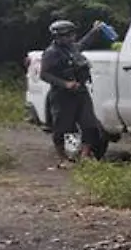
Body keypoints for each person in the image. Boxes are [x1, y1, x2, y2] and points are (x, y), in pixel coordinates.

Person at [41, 19, 106, 163]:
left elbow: (84, 43)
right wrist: (65, 84)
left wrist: (94, 31)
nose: (71, 38)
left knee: (89, 124)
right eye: (67, 35)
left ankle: (85, 155)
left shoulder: (72, 48)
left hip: (81, 92)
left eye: (72, 34)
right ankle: (62, 158)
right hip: (62, 95)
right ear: (58, 37)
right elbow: (44, 74)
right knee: (61, 127)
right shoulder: (51, 53)